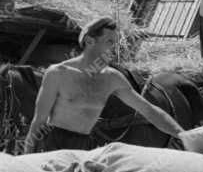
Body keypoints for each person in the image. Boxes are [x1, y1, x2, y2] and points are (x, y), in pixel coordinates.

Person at [25, 17, 187, 152]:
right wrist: (27, 158)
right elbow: (38, 121)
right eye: (109, 42)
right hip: (53, 146)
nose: (114, 49)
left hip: (85, 148)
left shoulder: (112, 78)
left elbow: (148, 110)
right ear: (89, 41)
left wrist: (182, 134)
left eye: (115, 43)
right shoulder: (58, 73)